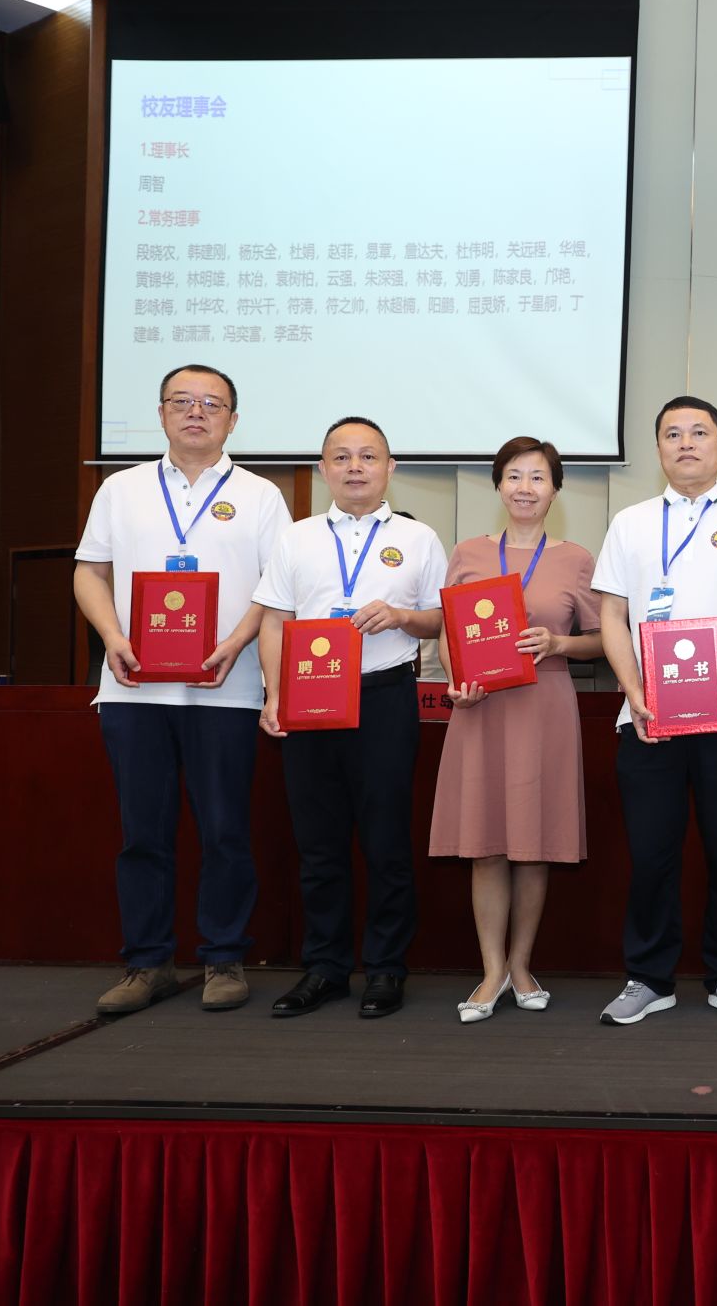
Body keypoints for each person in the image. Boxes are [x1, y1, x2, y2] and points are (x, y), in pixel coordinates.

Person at [73, 363, 292, 1014]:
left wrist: (237, 641)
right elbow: (89, 572)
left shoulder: (261, 495)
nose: (196, 412)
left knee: (225, 829)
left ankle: (224, 957)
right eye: (182, 401)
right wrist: (112, 635)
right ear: (162, 413)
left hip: (228, 688)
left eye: (211, 403)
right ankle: (148, 963)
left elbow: (278, 589)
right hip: (133, 689)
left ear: (233, 419)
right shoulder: (120, 488)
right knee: (142, 832)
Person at [593, 397, 717, 1025]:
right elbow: (611, 614)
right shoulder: (629, 522)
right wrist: (633, 690)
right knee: (651, 852)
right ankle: (648, 978)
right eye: (673, 434)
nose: (686, 443)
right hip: (648, 717)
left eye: (700, 432)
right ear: (658, 448)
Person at [254, 416, 446, 1018]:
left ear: (390, 468)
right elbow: (274, 620)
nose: (355, 467)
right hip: (309, 698)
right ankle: (326, 968)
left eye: (368, 456)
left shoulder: (419, 538)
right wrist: (273, 695)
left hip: (384, 697)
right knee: (318, 844)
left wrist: (402, 616)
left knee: (387, 841)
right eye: (341, 457)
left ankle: (386, 968)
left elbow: (440, 620)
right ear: (323, 469)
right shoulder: (297, 537)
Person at [428, 437, 604, 1022]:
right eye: (514, 476)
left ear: (555, 491)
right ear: (498, 485)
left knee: (533, 846)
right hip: (480, 709)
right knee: (484, 846)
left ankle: (522, 965)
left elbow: (603, 640)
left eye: (537, 477)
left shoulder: (576, 559)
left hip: (543, 705)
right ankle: (491, 971)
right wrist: (458, 682)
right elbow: (451, 634)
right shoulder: (469, 553)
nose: (525, 487)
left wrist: (558, 643)